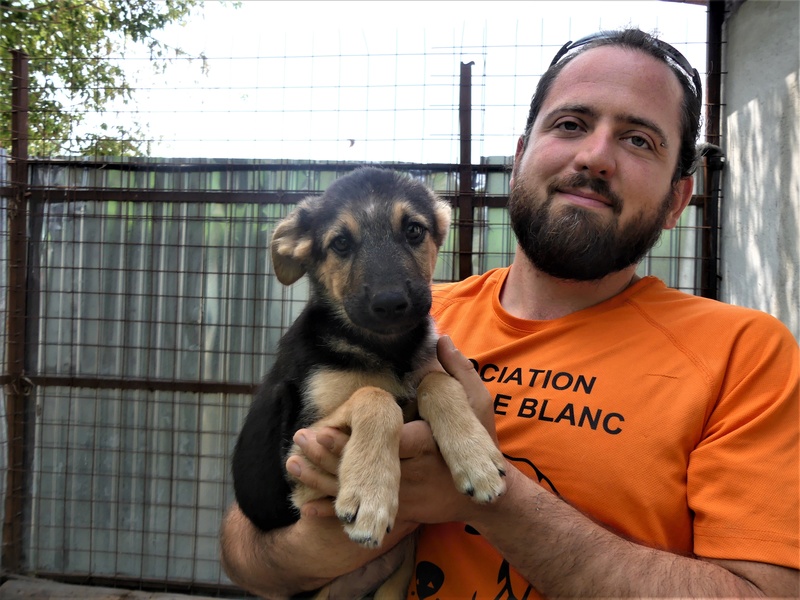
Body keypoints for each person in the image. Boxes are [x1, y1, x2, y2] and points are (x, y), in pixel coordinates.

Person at [219, 28, 800, 598]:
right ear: (521, 157)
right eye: (571, 124)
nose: (596, 157)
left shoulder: (741, 355)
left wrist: (493, 500)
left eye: (639, 140)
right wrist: (318, 552)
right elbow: (244, 549)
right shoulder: (403, 324)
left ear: (678, 199)